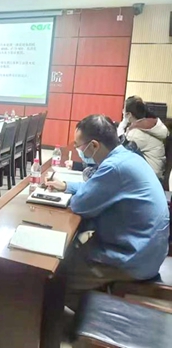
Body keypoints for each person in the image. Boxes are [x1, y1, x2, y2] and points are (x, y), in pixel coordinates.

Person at [46, 114, 169, 311]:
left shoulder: (114, 167)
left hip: (131, 257)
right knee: (73, 251)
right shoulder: (127, 157)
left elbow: (80, 204)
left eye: (79, 147)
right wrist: (67, 185)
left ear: (94, 145)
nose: (79, 152)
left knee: (56, 276)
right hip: (147, 250)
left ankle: (100, 317)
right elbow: (97, 189)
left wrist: (76, 193)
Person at [124, 98, 168, 177]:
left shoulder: (137, 133)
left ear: (129, 114)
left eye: (123, 110)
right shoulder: (149, 125)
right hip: (156, 172)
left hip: (150, 176)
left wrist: (122, 126)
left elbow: (122, 152)